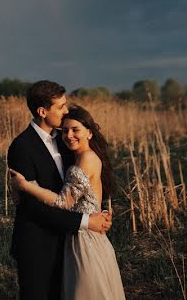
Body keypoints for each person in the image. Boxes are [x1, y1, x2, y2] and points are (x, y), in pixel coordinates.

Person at [7, 81, 113, 300]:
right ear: (42, 111)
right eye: (61, 107)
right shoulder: (21, 147)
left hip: (70, 242)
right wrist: (86, 221)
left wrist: (99, 211)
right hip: (38, 245)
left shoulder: (67, 140)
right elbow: (31, 207)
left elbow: (85, 181)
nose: (66, 111)